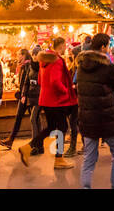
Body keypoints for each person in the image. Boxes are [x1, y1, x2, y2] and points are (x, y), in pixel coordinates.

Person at [75, 32, 114, 189]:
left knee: (89, 158)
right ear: (103, 47)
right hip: (107, 118)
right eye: (108, 46)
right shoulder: (107, 66)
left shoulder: (81, 66)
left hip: (88, 118)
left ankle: (85, 188)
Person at [21, 36, 76, 169]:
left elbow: (40, 80)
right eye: (64, 46)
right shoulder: (57, 60)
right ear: (61, 45)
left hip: (45, 99)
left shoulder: (44, 60)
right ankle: (59, 159)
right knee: (62, 128)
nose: (65, 49)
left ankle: (27, 148)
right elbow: (55, 81)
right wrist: (66, 91)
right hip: (56, 101)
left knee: (51, 127)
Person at [4, 48, 41, 151]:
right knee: (34, 119)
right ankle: (37, 143)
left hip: (29, 96)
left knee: (31, 119)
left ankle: (36, 143)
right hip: (26, 96)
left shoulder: (28, 66)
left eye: (19, 54)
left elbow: (27, 82)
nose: (17, 56)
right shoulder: (24, 66)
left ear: (24, 55)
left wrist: (24, 94)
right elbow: (24, 82)